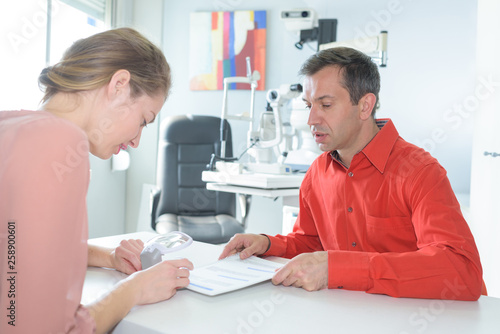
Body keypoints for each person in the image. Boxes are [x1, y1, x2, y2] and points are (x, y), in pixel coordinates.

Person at [219, 47, 486, 301]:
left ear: (365, 106)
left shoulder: (420, 173)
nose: (311, 119)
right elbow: (312, 243)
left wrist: (338, 268)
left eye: (325, 105)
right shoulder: (318, 173)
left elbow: (461, 272)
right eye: (308, 105)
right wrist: (267, 244)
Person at [0, 28, 193, 334]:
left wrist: (110, 257)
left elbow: (13, 246)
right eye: (143, 120)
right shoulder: (61, 142)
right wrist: (133, 290)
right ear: (119, 85)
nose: (137, 140)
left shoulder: (10, 125)